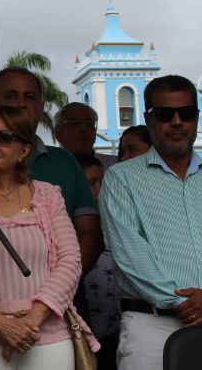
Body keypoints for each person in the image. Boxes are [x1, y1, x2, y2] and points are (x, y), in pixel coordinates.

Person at [100, 75, 202, 370]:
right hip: (152, 328)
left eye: (187, 113)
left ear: (197, 117)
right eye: (165, 114)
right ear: (148, 119)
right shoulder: (122, 179)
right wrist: (183, 303)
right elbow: (130, 255)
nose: (177, 122)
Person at [0, 106, 98, 369]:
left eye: (4, 137)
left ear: (24, 151)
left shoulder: (46, 196)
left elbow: (70, 260)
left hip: (46, 335)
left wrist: (31, 320)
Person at [76, 154, 119, 370]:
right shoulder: (63, 229)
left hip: (117, 331)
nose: (99, 190)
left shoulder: (118, 222)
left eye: (102, 182)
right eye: (91, 183)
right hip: (85, 332)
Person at [53, 102, 118, 169]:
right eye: (75, 123)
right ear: (58, 134)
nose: (83, 129)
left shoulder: (116, 166)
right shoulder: (48, 167)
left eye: (89, 123)